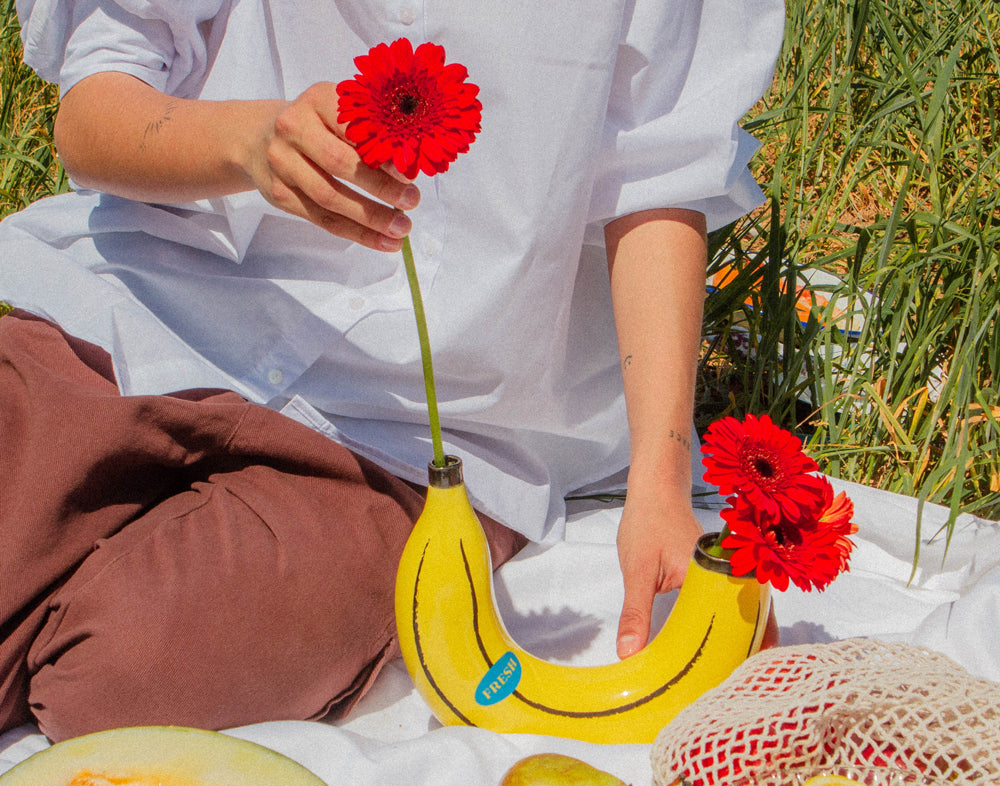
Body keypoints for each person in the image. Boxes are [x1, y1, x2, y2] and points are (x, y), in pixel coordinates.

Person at [0, 1, 786, 741]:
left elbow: (660, 181)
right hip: (141, 313)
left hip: (425, 430)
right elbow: (94, 110)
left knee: (123, 680)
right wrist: (249, 141)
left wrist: (659, 478)